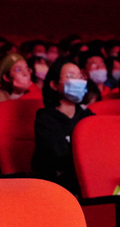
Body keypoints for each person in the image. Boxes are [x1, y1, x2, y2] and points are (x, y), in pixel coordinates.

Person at [32, 58, 94, 192]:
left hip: (88, 178)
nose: (77, 81)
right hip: (57, 186)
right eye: (70, 76)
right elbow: (58, 158)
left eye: (79, 77)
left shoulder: (87, 116)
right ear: (54, 85)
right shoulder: (45, 119)